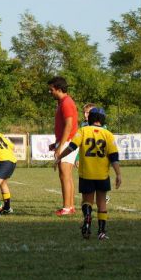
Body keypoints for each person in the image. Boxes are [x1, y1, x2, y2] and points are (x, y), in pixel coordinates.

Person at [55, 107, 121, 240]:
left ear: (90, 118)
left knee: (87, 201)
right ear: (102, 119)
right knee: (102, 202)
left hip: (86, 174)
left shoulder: (83, 131)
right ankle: (101, 232)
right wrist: (118, 174)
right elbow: (114, 156)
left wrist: (60, 157)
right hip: (102, 175)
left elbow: (71, 147)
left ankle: (87, 220)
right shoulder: (108, 134)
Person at [48, 76, 79, 216]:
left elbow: (69, 125)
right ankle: (70, 206)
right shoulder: (63, 102)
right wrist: (56, 143)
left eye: (51, 90)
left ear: (59, 89)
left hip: (67, 142)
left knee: (64, 175)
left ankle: (67, 207)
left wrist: (60, 146)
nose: (50, 92)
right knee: (67, 175)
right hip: (66, 141)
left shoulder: (66, 102)